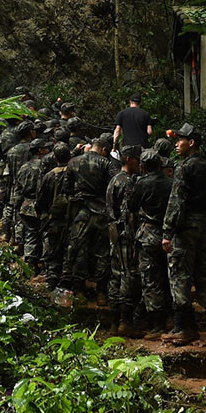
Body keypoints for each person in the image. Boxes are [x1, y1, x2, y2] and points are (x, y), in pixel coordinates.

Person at [161, 123, 206, 347]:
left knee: (179, 274)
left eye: (180, 140)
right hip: (205, 228)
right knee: (205, 273)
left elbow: (176, 201)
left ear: (191, 143)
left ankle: (183, 327)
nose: (176, 144)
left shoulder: (184, 168)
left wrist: (168, 231)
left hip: (186, 228)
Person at [57, 135, 113, 307]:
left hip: (80, 211)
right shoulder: (106, 164)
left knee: (78, 249)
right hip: (101, 211)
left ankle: (78, 289)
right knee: (103, 252)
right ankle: (101, 292)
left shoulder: (74, 162)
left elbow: (66, 188)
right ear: (104, 149)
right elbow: (112, 187)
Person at [129, 148, 174, 340]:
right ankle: (170, 317)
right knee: (168, 276)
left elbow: (131, 205)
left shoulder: (142, 183)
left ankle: (157, 325)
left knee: (150, 280)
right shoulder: (171, 183)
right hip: (169, 235)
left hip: (148, 235)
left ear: (143, 166)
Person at [105, 145, 144, 336]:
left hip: (114, 232)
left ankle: (115, 321)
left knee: (115, 275)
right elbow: (129, 213)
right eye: (137, 159)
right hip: (125, 235)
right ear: (129, 159)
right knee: (128, 275)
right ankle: (124, 321)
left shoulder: (114, 180)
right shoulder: (127, 182)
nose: (139, 163)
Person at [36, 142, 74, 284]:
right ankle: (66, 280)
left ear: (54, 158)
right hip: (72, 219)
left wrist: (42, 214)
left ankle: (52, 278)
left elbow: (40, 199)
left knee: (52, 249)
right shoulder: (75, 174)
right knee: (69, 251)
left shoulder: (49, 176)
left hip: (53, 219)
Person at [12, 139, 50, 271]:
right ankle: (44, 267)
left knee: (30, 235)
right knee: (45, 236)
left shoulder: (23, 167)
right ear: (40, 150)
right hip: (42, 206)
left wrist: (17, 206)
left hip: (26, 205)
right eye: (45, 148)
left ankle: (30, 265)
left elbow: (17, 189)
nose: (48, 150)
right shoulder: (45, 167)